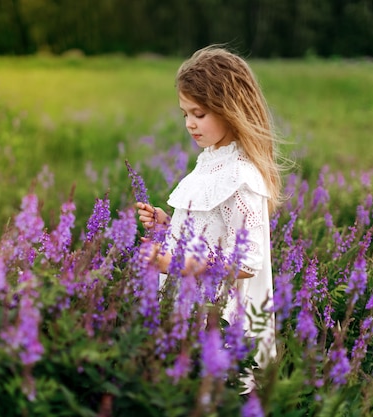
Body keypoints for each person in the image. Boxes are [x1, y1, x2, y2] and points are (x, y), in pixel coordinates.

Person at [136, 45, 284, 374]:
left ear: (230, 110)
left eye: (199, 114)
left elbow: (245, 261)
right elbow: (206, 226)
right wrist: (166, 224)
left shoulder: (241, 177)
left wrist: (175, 263)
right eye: (184, 114)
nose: (189, 124)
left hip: (219, 323)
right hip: (190, 310)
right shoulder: (211, 161)